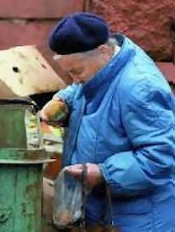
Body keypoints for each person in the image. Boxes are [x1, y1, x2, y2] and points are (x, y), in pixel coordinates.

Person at [41, 12, 175, 231]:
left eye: (76, 71)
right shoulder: (105, 66)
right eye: (69, 74)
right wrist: (64, 100)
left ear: (103, 52)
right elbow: (83, 87)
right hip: (109, 213)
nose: (75, 80)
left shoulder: (139, 88)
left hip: (142, 221)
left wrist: (104, 173)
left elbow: (161, 158)